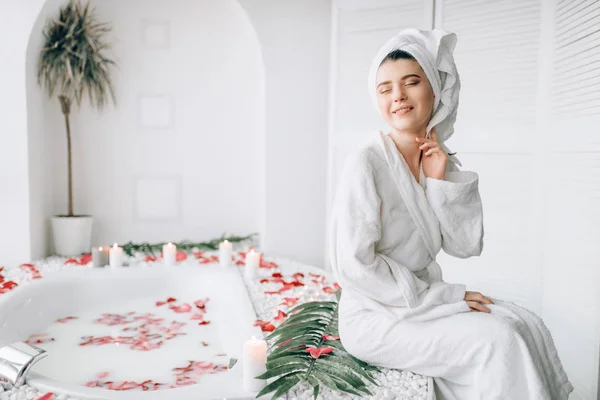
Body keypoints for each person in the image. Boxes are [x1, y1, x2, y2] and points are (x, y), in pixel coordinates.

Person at [328, 28, 574, 400]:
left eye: (411, 82)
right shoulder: (366, 162)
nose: (398, 96)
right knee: (498, 341)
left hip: (419, 303)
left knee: (523, 324)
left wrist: (440, 182)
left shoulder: (439, 161)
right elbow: (353, 264)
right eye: (385, 88)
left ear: (435, 90)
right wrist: (441, 298)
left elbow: (465, 245)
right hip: (375, 316)